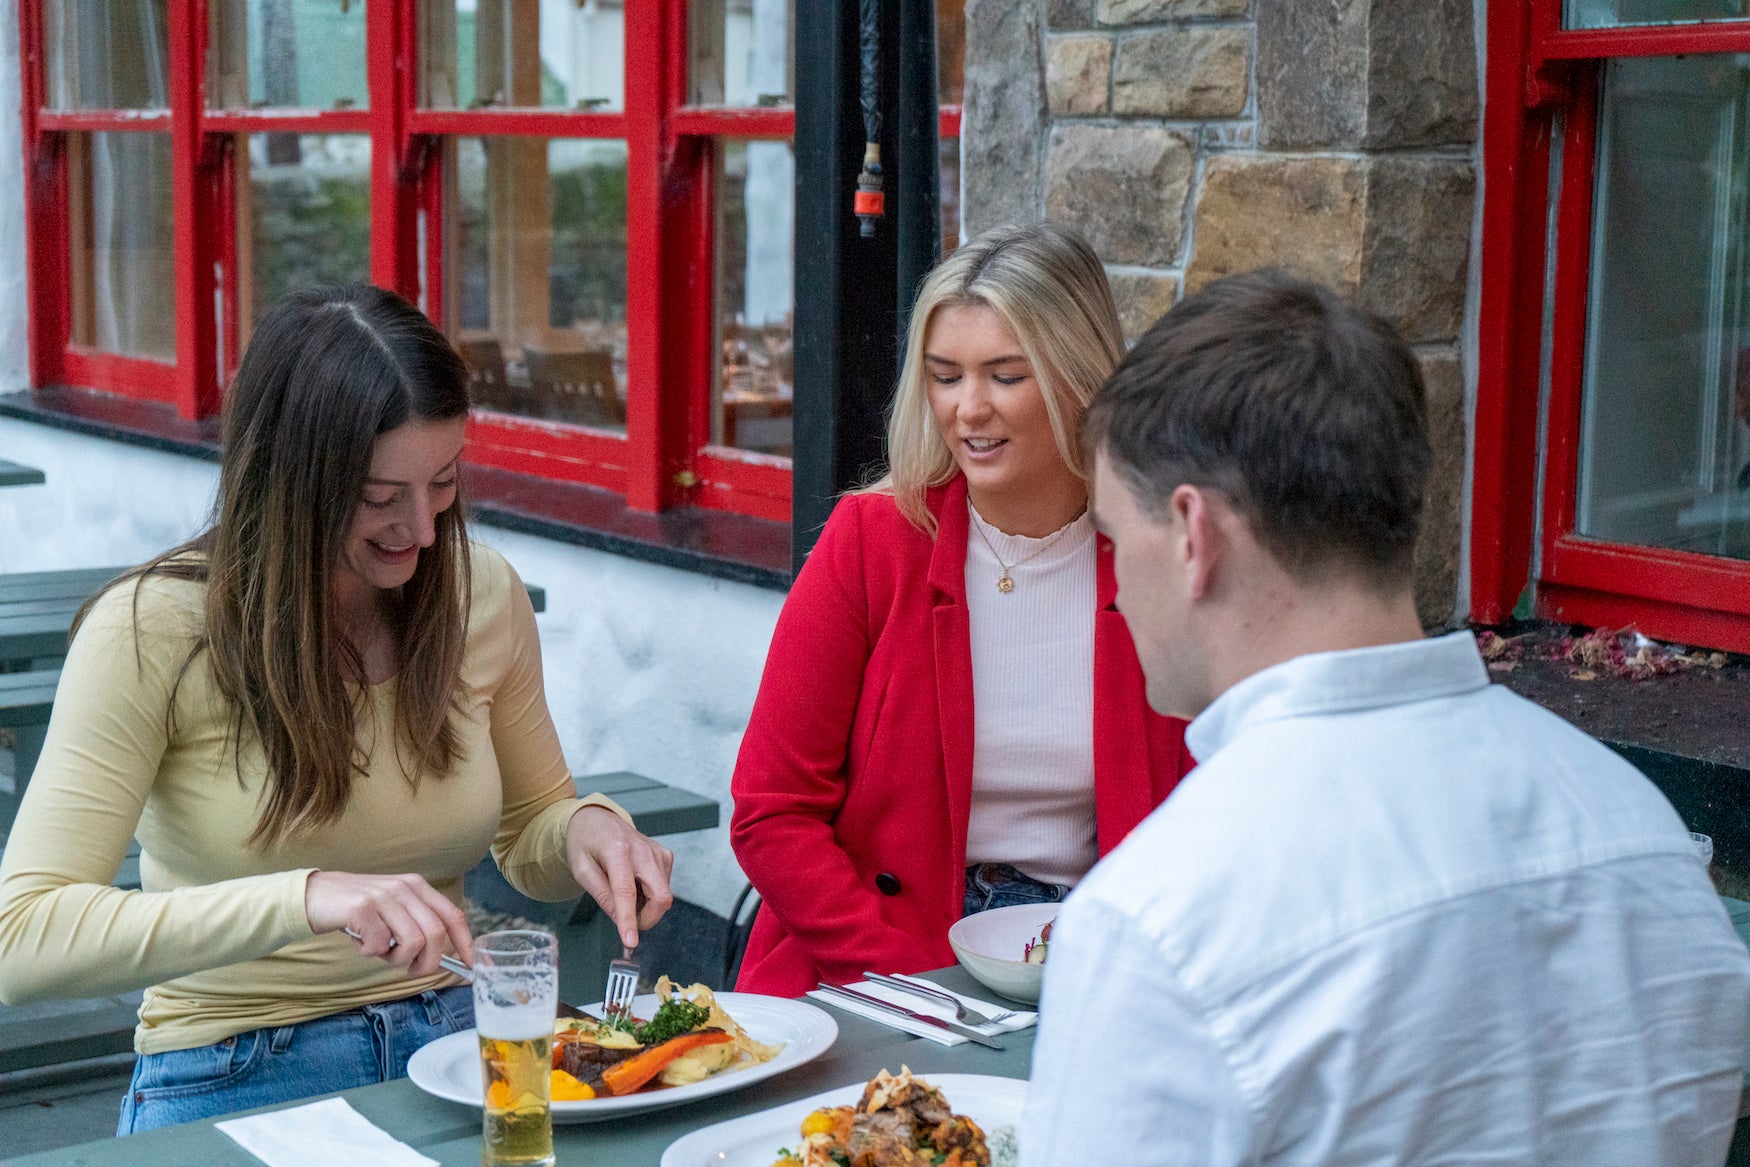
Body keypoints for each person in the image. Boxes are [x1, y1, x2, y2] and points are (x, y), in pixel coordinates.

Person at [1021, 269, 1750, 1166]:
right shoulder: (1647, 838)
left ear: (1191, 535)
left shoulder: (1160, 919)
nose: (1117, 589)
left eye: (1111, 537)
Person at [0, 285, 675, 1133]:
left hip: (458, 1048)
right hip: (236, 1064)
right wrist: (309, 896)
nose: (423, 530)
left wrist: (586, 831)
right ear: (288, 478)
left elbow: (532, 828)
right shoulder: (151, 632)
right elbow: (22, 939)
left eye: (443, 483)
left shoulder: (480, 593)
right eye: (378, 495)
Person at [730, 223, 1191, 997]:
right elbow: (770, 812)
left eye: (1005, 376)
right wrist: (912, 984)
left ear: (1082, 378)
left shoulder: (1156, 556)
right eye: (945, 376)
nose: (968, 409)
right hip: (880, 959)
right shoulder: (872, 541)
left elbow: (1200, 809)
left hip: (1090, 957)